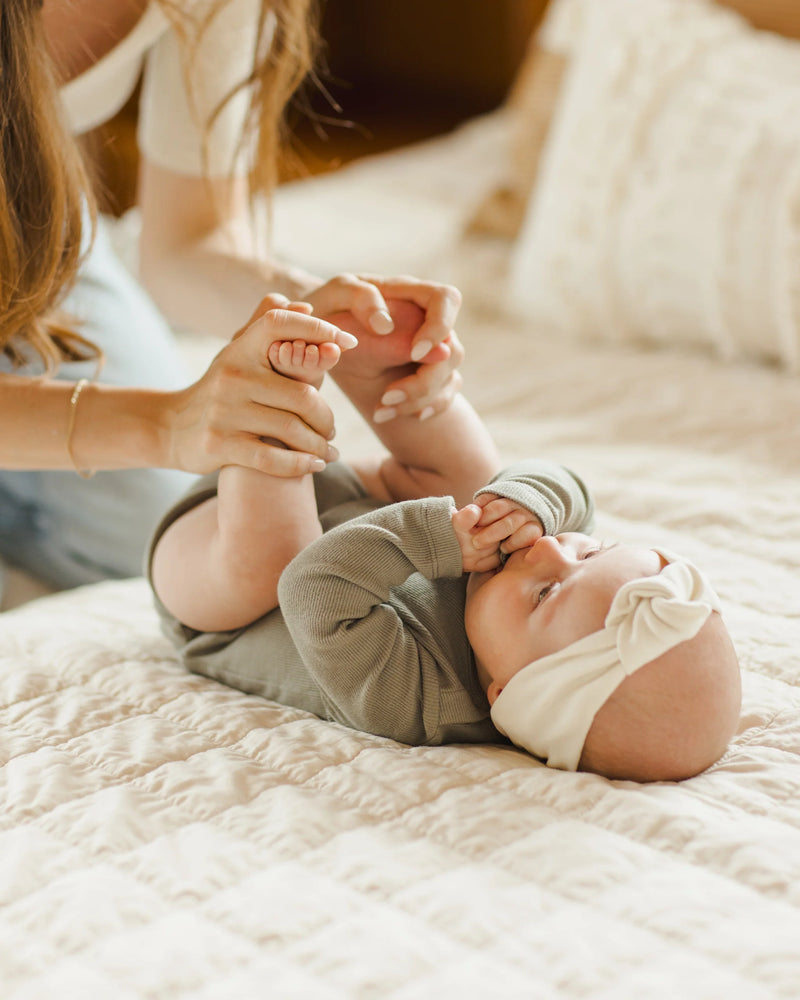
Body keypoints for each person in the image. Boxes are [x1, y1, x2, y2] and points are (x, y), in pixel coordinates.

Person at [148, 299, 743, 783]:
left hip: (220, 589)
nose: (548, 550)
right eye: (590, 553)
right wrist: (527, 504)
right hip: (357, 503)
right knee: (479, 480)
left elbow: (312, 586)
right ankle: (387, 372)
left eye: (544, 594)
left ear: (504, 690)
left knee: (272, 563)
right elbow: (574, 492)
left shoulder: (417, 700)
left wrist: (437, 541)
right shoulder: (541, 584)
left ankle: (272, 403)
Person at [0, 1, 462, 592]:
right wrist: (163, 425)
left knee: (154, 525)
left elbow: (189, 240)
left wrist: (314, 307)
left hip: (31, 233)